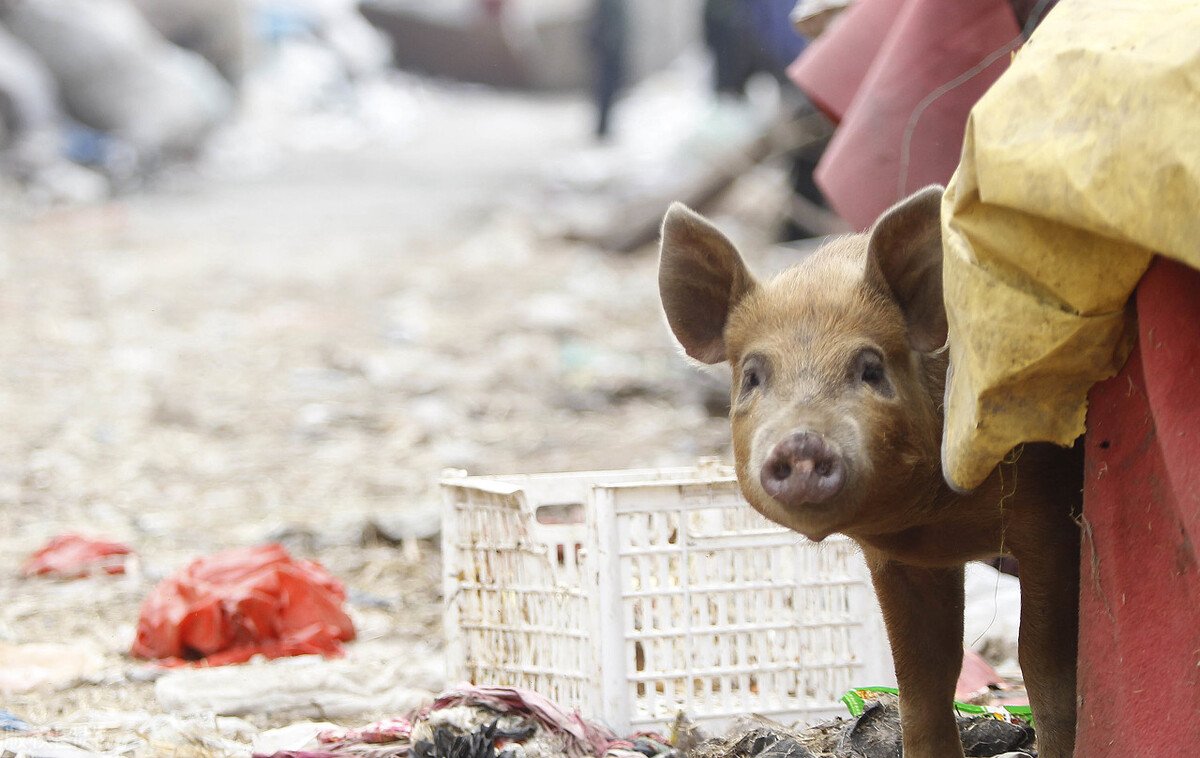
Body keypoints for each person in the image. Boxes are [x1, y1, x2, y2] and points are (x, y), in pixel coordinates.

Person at [586, 0, 627, 140]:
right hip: (609, 50)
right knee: (606, 89)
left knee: (609, 90)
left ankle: (604, 126)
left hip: (611, 49)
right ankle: (602, 127)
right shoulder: (609, 3)